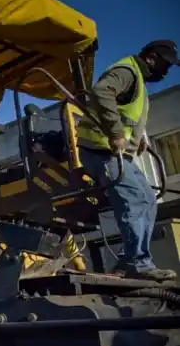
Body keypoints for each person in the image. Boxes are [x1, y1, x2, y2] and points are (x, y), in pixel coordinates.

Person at [76, 39, 180, 281]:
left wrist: (139, 137)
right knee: (134, 200)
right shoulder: (127, 71)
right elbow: (102, 91)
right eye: (165, 65)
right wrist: (115, 133)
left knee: (148, 200)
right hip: (100, 151)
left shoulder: (137, 80)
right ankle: (138, 263)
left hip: (117, 155)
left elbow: (128, 115)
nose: (166, 72)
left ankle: (128, 260)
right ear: (152, 57)